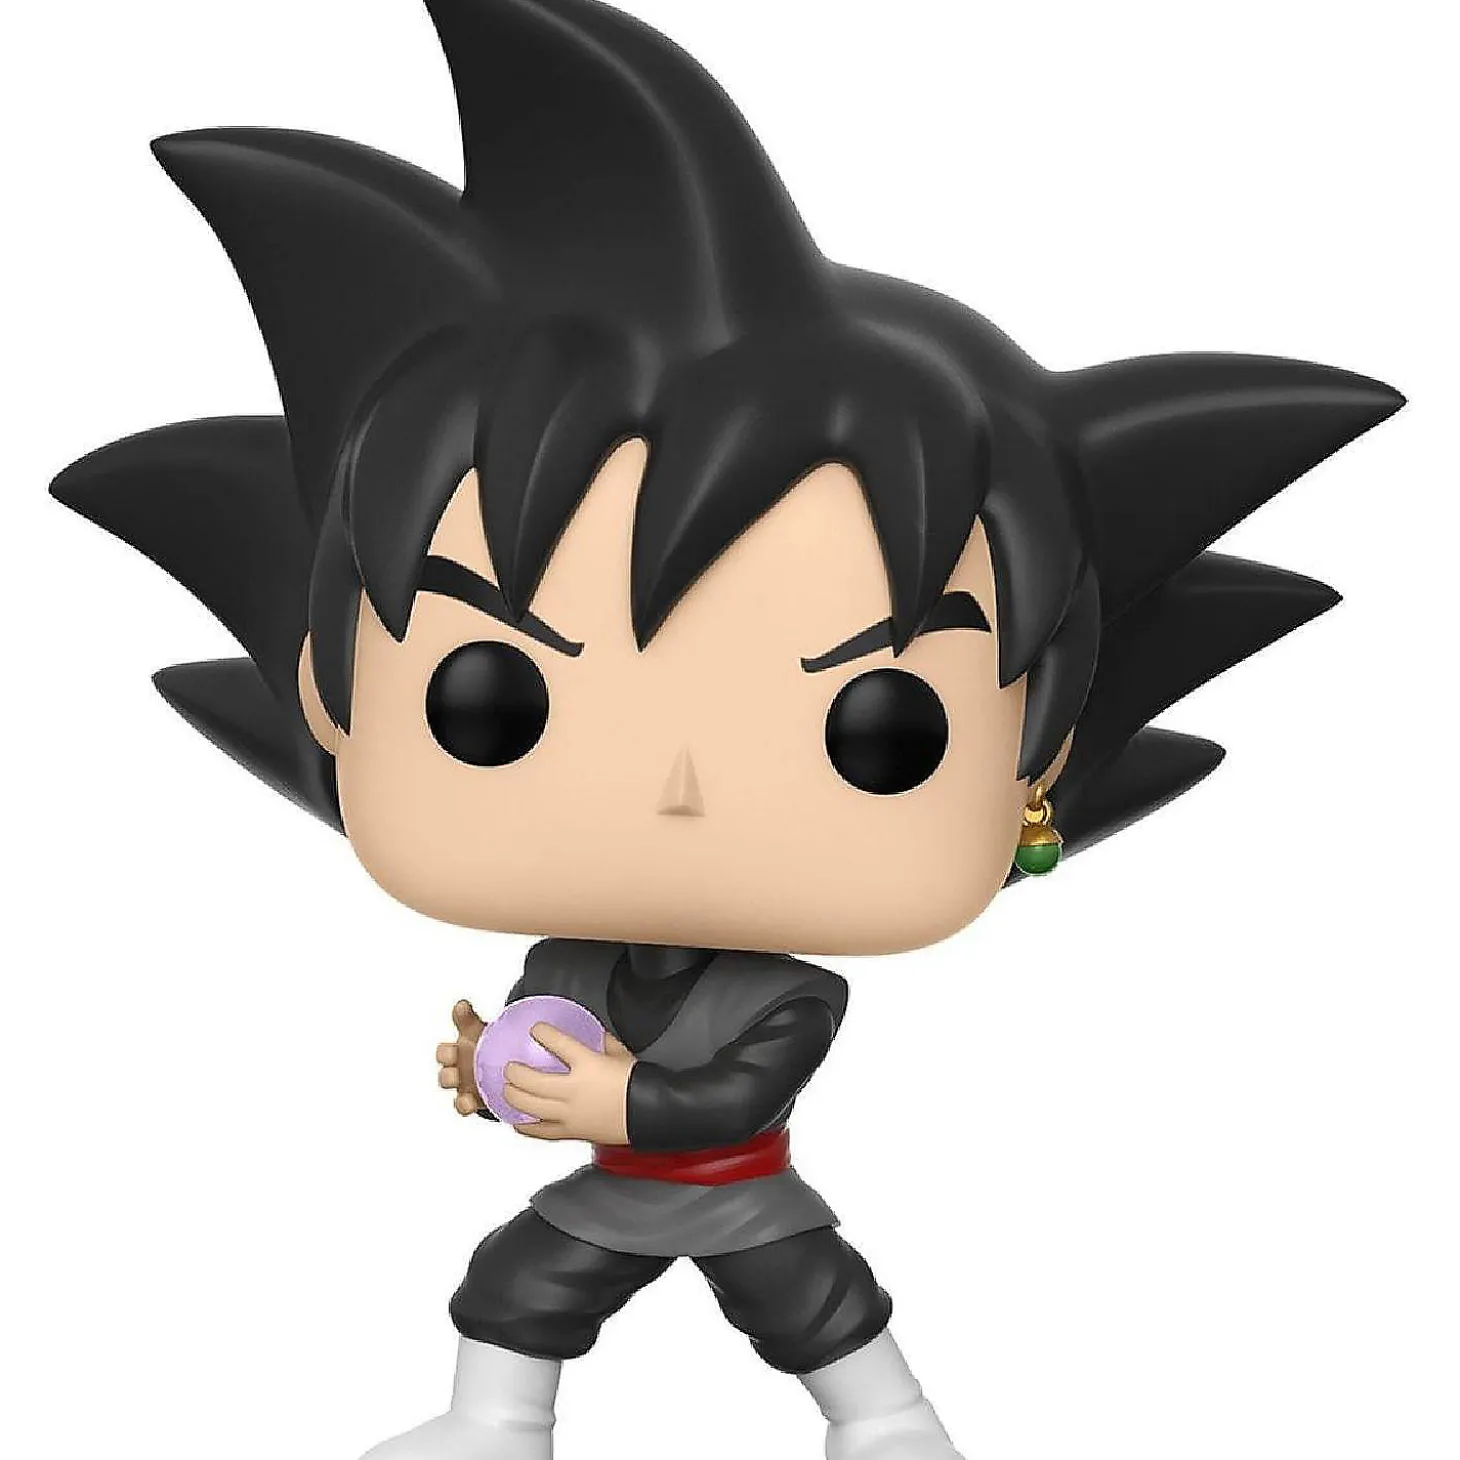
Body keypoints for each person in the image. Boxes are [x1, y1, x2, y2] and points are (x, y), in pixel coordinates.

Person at [51, 2, 1403, 1455]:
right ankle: (492, 1427)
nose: (684, 788)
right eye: (494, 699)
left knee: (817, 1308)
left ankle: (888, 1426)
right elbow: (551, 1035)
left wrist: (617, 1094)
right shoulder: (571, 957)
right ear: (333, 687)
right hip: (614, 1193)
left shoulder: (792, 997)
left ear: (1039, 765)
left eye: (880, 731)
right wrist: (494, 1071)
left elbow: (731, 1092)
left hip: (737, 1190)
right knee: (516, 1286)